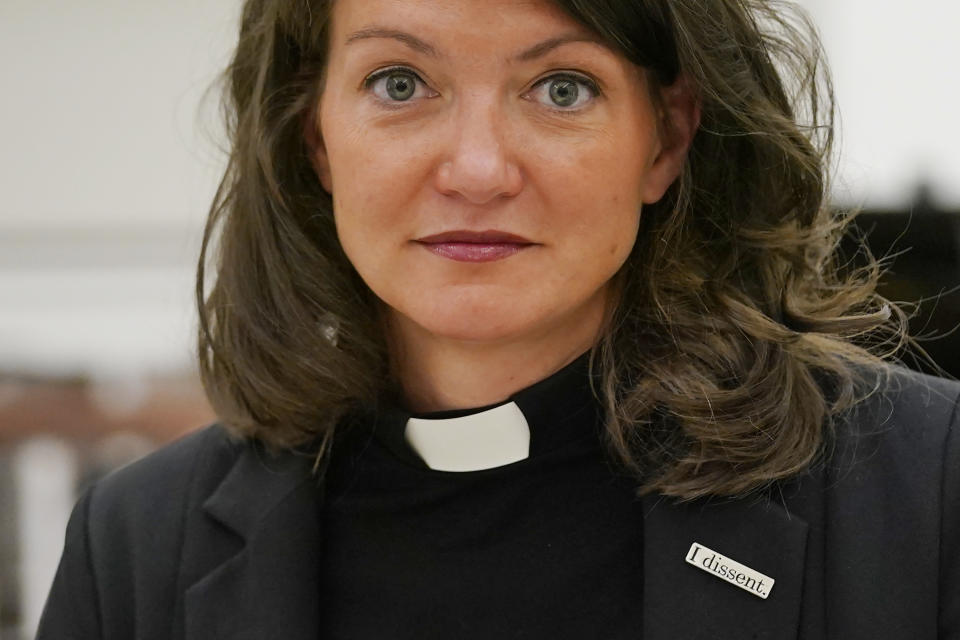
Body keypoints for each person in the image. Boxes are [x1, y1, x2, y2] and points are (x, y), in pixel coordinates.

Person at [38, 0, 959, 638]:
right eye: (400, 83)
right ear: (314, 137)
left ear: (667, 139)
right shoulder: (136, 544)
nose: (477, 170)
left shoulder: (926, 491)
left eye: (562, 88)